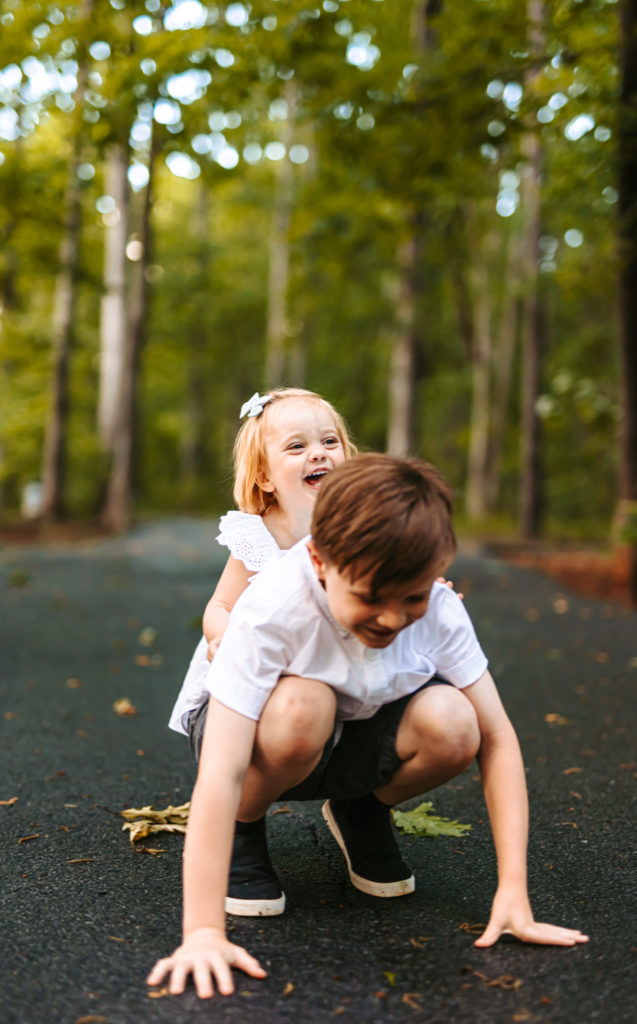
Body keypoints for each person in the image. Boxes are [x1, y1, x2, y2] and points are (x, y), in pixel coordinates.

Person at [149, 454, 589, 999]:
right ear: (318, 560)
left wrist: (514, 893)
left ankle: (361, 807)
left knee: (457, 719)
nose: (391, 617)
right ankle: (247, 826)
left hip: (354, 728)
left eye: (412, 597)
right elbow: (219, 770)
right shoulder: (272, 609)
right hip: (265, 736)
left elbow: (498, 739)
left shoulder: (439, 608)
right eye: (368, 597)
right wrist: (202, 934)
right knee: (303, 705)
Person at [169, 386, 356, 740]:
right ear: (265, 477)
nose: (318, 454)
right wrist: (220, 638)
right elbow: (221, 604)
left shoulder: (360, 528)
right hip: (260, 671)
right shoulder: (260, 536)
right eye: (297, 446)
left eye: (329, 442)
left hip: (332, 669)